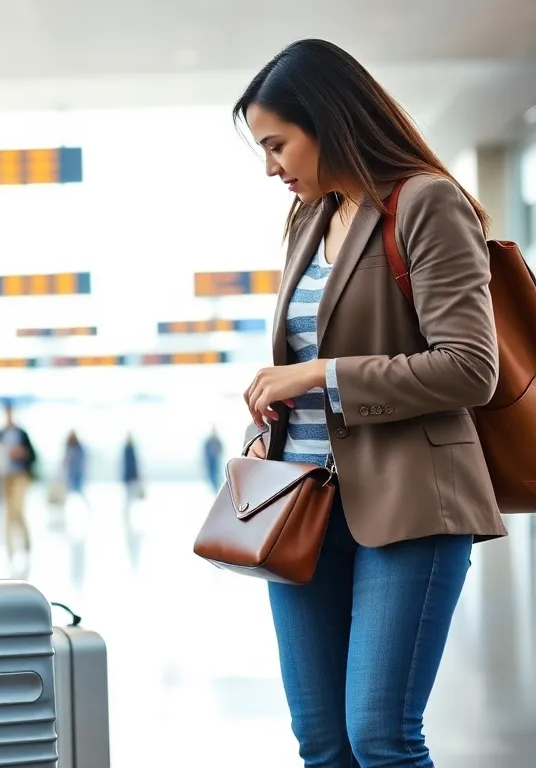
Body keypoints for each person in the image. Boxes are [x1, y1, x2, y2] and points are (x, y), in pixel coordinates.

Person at [235, 39, 504, 767]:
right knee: (322, 744)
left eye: (277, 144)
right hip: (304, 507)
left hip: (411, 505)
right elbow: (310, 351)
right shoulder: (311, 220)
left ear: (327, 120)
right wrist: (274, 414)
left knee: (380, 739)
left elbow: (469, 368)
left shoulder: (425, 203)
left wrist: (317, 377)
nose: (270, 167)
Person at [0, 402, 36, 557]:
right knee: (7, 512)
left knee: (18, 509)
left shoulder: (22, 434)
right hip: (5, 476)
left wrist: (21, 453)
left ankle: (26, 543)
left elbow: (32, 455)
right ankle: (9, 546)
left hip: (19, 475)